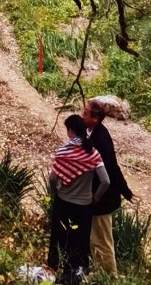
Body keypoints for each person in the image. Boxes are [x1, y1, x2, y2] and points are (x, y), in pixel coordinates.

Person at [47, 113, 110, 284]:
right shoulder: (93, 153)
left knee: (60, 237)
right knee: (78, 240)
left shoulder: (64, 151)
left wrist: (55, 191)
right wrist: (95, 197)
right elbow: (105, 181)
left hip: (64, 204)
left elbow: (53, 178)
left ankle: (54, 270)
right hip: (83, 207)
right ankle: (74, 275)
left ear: (70, 130)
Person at [82, 99, 134, 276]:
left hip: (103, 198)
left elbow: (111, 167)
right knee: (95, 238)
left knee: (103, 240)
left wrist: (126, 192)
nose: (82, 115)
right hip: (95, 196)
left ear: (95, 118)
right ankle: (99, 271)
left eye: (85, 113)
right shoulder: (91, 132)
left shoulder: (101, 139)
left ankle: (110, 275)